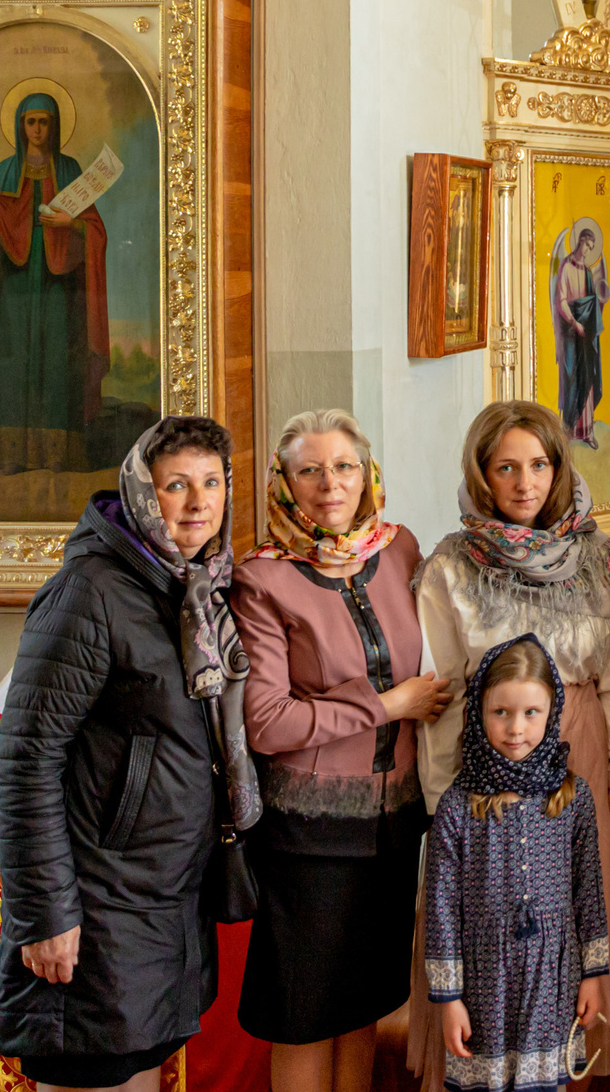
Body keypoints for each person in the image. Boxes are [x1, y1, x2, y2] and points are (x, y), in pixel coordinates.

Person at [0, 416, 259, 1092]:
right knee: (92, 1069)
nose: (199, 501)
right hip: (98, 903)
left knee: (136, 1068)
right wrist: (48, 914)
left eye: (212, 481)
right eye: (177, 485)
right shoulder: (90, 590)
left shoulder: (195, 586)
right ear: (142, 492)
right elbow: (26, 761)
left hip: (163, 898)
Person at [231, 411, 450, 1092]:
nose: (331, 483)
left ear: (368, 473)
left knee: (362, 1003)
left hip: (394, 822)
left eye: (345, 466)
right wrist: (387, 705)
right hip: (306, 834)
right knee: (305, 1012)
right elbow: (268, 722)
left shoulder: (403, 547)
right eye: (310, 469)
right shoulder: (262, 578)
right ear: (285, 482)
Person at [417, 401, 610, 1077]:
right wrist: (442, 797)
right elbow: (445, 689)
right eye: (505, 467)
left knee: (573, 903)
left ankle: (563, 1061)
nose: (524, 482)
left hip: (581, 743)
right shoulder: (452, 562)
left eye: (538, 464)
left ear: (559, 467)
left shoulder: (597, 552)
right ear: (482, 475)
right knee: (482, 911)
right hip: (486, 757)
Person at [427, 636, 610, 1092]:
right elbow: (441, 909)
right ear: (478, 714)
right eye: (501, 712)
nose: (516, 729)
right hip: (483, 978)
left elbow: (589, 891)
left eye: (532, 713)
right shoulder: (457, 806)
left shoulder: (573, 798)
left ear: (552, 715)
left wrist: (593, 976)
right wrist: (449, 998)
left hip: (553, 977)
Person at [0, 86, 111, 474]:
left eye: (43, 122)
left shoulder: (71, 170)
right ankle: (12, 452)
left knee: (57, 359)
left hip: (60, 284)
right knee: (14, 360)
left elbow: (96, 230)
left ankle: (59, 452)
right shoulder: (7, 171)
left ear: (54, 127)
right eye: (30, 122)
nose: (37, 129)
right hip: (17, 284)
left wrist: (69, 223)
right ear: (20, 126)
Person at [553, 218, 610, 450]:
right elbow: (561, 301)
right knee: (572, 379)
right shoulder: (565, 267)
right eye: (588, 246)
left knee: (589, 376)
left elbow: (592, 304)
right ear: (581, 241)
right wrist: (575, 322)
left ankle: (587, 431)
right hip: (570, 334)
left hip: (585, 336)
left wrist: (600, 302)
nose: (588, 251)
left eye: (591, 248)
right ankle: (568, 431)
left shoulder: (587, 272)